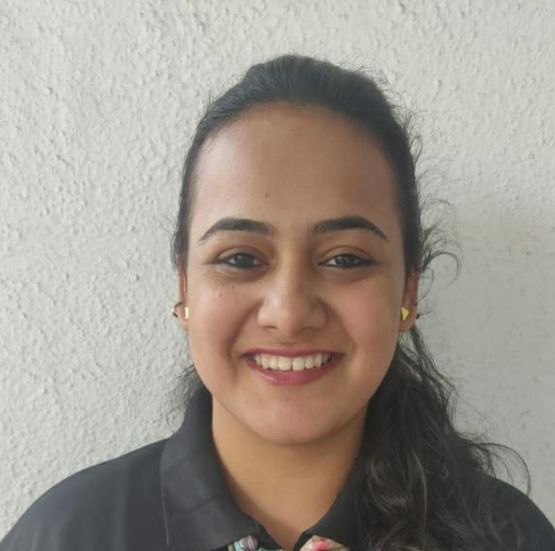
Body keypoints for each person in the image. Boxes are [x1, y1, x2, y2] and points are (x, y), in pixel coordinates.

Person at [1, 54, 554, 551]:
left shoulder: (509, 538)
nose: (288, 313)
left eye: (344, 259)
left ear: (407, 290)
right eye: (241, 259)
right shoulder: (66, 536)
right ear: (184, 287)